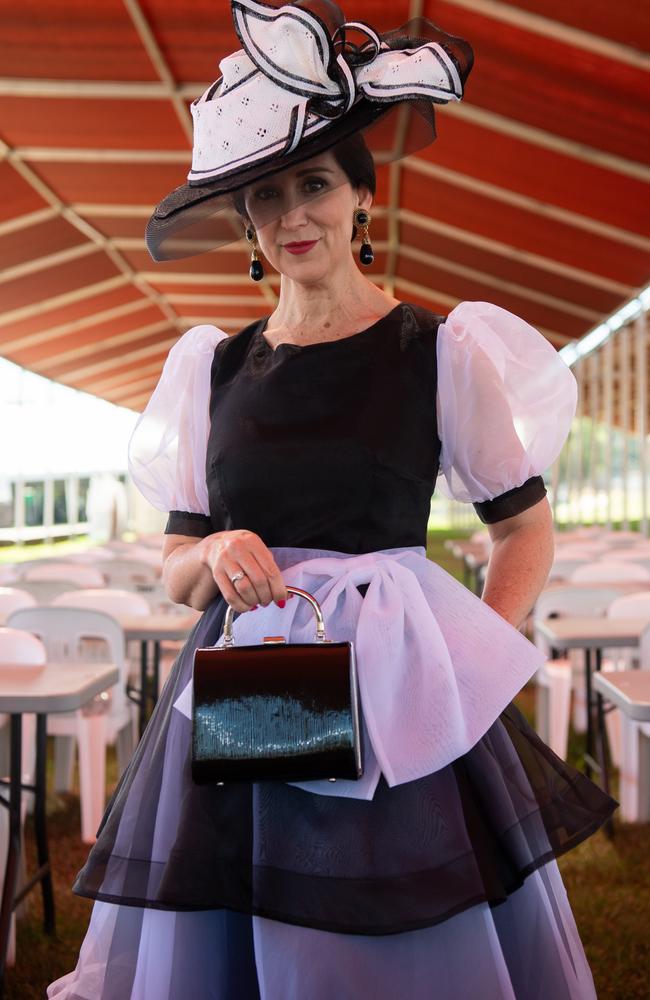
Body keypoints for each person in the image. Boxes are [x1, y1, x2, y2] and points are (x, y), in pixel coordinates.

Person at [49, 2, 616, 997]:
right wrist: (213, 547)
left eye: (312, 184)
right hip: (249, 692)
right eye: (266, 197)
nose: (292, 215)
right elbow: (177, 568)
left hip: (398, 696)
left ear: (360, 197)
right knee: (245, 926)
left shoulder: (438, 352)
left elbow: (522, 527)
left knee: (380, 933)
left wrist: (472, 660)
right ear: (247, 225)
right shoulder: (212, 370)